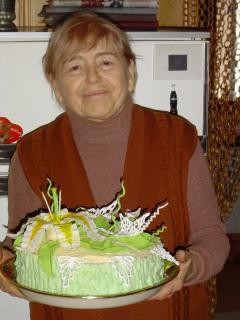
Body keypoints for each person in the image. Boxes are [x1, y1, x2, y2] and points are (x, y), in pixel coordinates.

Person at [0, 11, 229, 320]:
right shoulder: (31, 153)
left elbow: (212, 238)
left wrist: (189, 268)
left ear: (130, 71)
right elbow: (21, 246)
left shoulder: (177, 139)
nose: (92, 77)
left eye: (106, 62)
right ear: (55, 83)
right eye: (75, 66)